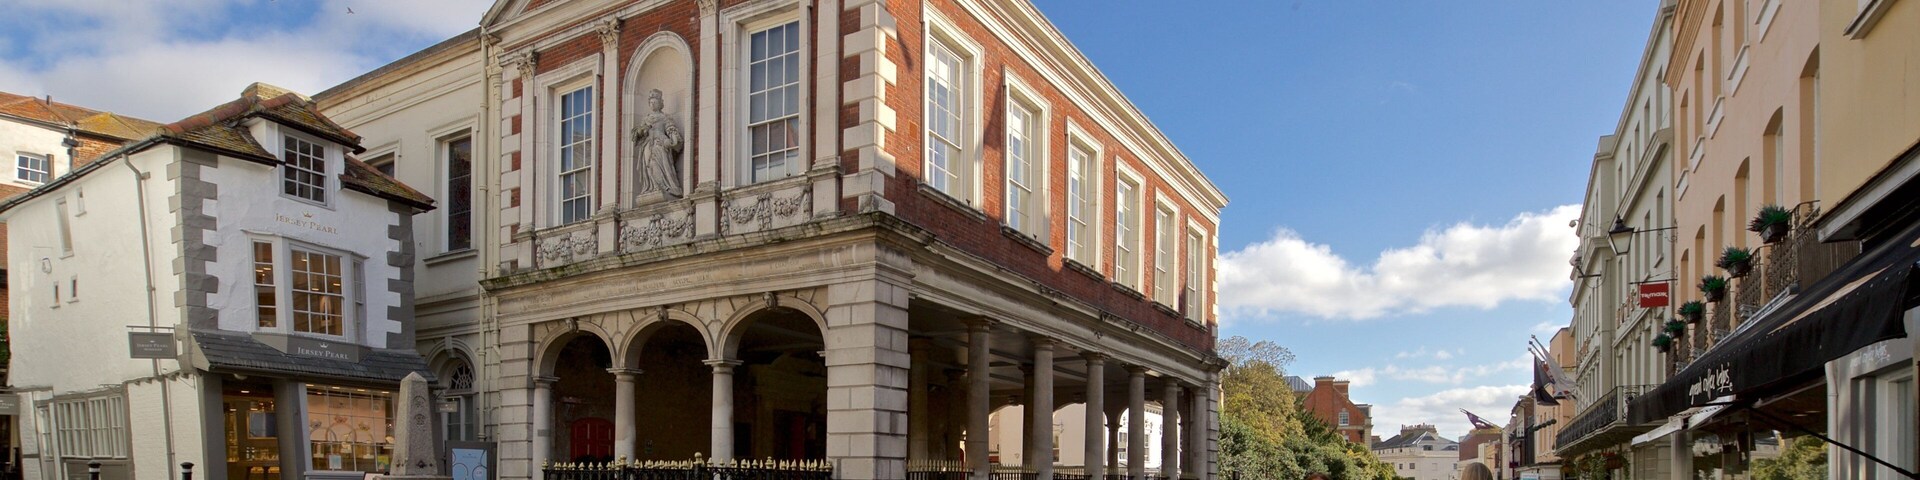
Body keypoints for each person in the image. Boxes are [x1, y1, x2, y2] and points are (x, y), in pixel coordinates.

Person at [632, 89, 684, 199]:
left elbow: (671, 129)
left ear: (660, 103)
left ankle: (665, 186)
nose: (652, 104)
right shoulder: (646, 118)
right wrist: (642, 130)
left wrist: (673, 141)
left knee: (662, 164)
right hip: (647, 145)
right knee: (648, 164)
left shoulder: (665, 117)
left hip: (659, 144)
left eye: (655, 102)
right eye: (650, 102)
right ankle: (652, 186)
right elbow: (637, 134)